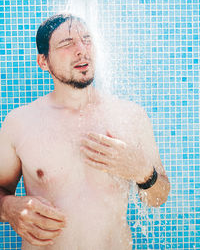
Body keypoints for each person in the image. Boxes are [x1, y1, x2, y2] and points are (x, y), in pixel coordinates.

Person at [0, 14, 170, 250]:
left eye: (87, 39)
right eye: (67, 43)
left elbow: (158, 197)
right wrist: (8, 207)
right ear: (43, 61)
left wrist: (144, 173)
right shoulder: (19, 122)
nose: (82, 50)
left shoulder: (131, 117)